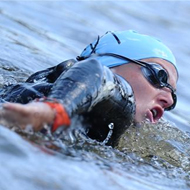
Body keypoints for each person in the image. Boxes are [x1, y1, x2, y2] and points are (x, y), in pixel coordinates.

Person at [0, 30, 178, 146]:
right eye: (158, 76)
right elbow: (97, 72)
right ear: (111, 65)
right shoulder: (107, 83)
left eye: (173, 98)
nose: (168, 100)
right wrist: (54, 111)